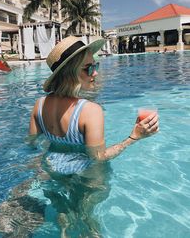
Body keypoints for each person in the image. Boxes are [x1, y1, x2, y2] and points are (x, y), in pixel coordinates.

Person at [29, 35, 159, 236]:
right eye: (88, 68)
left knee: (63, 213)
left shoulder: (39, 104)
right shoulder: (90, 111)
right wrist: (134, 137)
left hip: (52, 167)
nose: (95, 72)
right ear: (70, 73)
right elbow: (98, 158)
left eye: (95, 65)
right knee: (88, 223)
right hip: (85, 175)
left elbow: (31, 143)